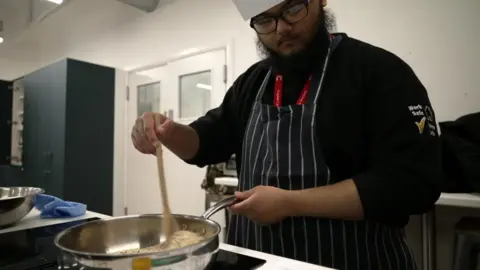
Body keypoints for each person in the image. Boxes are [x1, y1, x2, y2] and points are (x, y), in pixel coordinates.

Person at [131, 0, 442, 269]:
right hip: (259, 261)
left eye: (293, 8)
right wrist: (168, 132)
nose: (281, 29)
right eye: (265, 19)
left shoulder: (377, 71)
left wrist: (290, 203)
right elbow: (205, 143)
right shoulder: (253, 82)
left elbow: (412, 184)